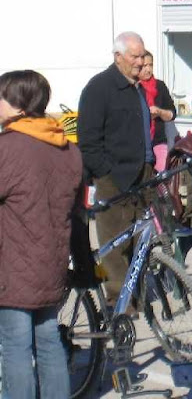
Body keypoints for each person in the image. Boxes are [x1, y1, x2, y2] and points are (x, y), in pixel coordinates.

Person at [0, 70, 83, 399]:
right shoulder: (67, 148)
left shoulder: (8, 148)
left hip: (13, 263)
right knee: (48, 339)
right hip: (52, 259)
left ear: (18, 105)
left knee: (15, 345)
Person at [77, 31, 155, 305]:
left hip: (142, 176)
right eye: (135, 56)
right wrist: (106, 173)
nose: (140, 61)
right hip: (114, 179)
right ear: (118, 56)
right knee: (115, 244)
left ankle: (137, 297)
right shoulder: (99, 88)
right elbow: (88, 141)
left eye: (142, 56)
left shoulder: (137, 88)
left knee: (140, 242)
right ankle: (118, 306)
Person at [139, 50, 177, 171]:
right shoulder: (134, 87)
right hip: (139, 144)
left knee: (161, 176)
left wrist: (159, 112)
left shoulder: (160, 86)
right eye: (144, 66)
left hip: (158, 142)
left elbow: (172, 114)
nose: (148, 69)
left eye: (150, 65)